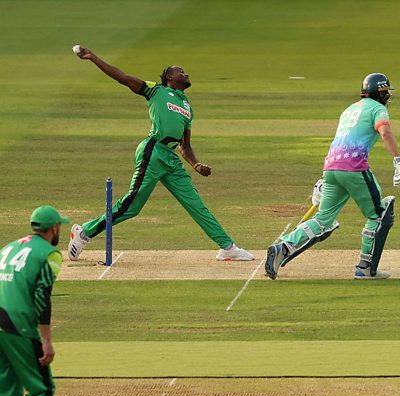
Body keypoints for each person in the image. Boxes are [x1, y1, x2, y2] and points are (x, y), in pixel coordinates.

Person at [68, 47, 254, 262]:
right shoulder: (155, 90)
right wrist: (93, 58)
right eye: (181, 71)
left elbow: (185, 146)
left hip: (171, 158)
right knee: (132, 206)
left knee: (195, 204)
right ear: (169, 78)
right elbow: (123, 78)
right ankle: (84, 232)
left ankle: (228, 247)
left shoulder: (187, 107)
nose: (186, 74)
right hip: (153, 151)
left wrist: (196, 165)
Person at [265, 73, 400, 280]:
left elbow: (339, 140)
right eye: (385, 93)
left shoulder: (349, 110)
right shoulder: (377, 109)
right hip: (354, 168)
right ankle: (365, 268)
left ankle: (282, 247)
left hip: (331, 168)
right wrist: (398, 160)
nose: (387, 97)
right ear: (379, 93)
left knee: (323, 219)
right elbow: (385, 133)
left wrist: (324, 178)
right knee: (378, 215)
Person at [0, 206, 69, 396]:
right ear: (55, 228)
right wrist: (46, 340)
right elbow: (41, 295)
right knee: (41, 389)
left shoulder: (8, 248)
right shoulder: (49, 254)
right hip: (18, 325)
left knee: (6, 389)